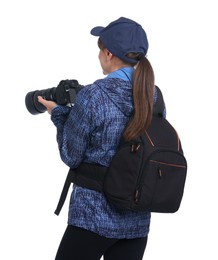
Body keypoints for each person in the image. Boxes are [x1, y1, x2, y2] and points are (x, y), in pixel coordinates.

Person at [38, 17, 164, 260]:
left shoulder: (93, 95)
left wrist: (59, 114)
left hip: (92, 219)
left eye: (99, 51)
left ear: (108, 53)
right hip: (136, 221)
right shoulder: (154, 95)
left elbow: (71, 155)